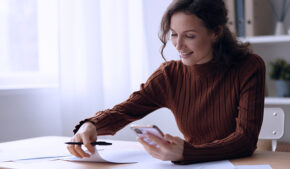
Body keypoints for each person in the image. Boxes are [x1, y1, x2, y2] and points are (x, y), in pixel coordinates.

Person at [67, 0, 265, 164]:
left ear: (215, 33)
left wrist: (187, 153)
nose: (178, 45)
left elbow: (245, 140)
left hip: (240, 164)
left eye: (189, 36)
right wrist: (90, 125)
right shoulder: (170, 75)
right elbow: (126, 110)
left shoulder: (248, 67)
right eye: (174, 34)